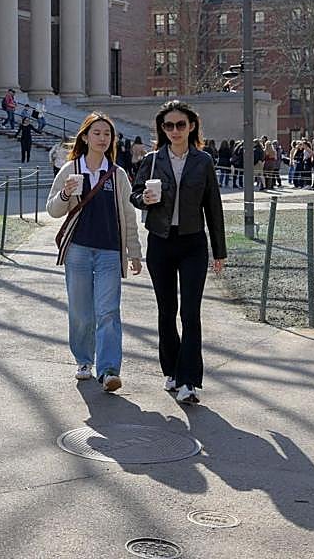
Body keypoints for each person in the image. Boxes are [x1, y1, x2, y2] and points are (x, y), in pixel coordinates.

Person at [130, 102, 226, 406]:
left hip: (193, 243)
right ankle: (170, 370)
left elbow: (214, 207)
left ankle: (189, 381)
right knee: (166, 310)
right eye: (168, 126)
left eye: (180, 125)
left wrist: (219, 251)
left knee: (190, 313)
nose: (174, 131)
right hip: (160, 241)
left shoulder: (203, 161)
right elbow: (135, 194)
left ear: (192, 126)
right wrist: (143, 198)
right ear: (162, 129)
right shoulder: (152, 160)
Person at [46, 113, 142, 393]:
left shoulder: (117, 174)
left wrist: (134, 251)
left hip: (110, 251)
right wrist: (65, 194)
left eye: (107, 134)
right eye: (97, 133)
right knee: (81, 311)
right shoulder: (71, 169)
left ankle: (109, 369)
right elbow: (53, 210)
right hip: (78, 250)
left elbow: (127, 214)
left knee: (108, 310)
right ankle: (84, 360)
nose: (102, 138)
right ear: (85, 137)